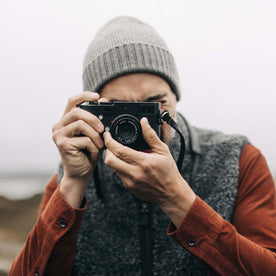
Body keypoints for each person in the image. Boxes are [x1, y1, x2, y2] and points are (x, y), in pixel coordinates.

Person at [10, 16, 276, 276]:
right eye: (120, 109)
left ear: (175, 96)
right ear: (92, 110)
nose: (136, 124)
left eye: (153, 105)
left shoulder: (236, 159)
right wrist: (74, 183)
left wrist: (177, 200)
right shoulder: (73, 174)